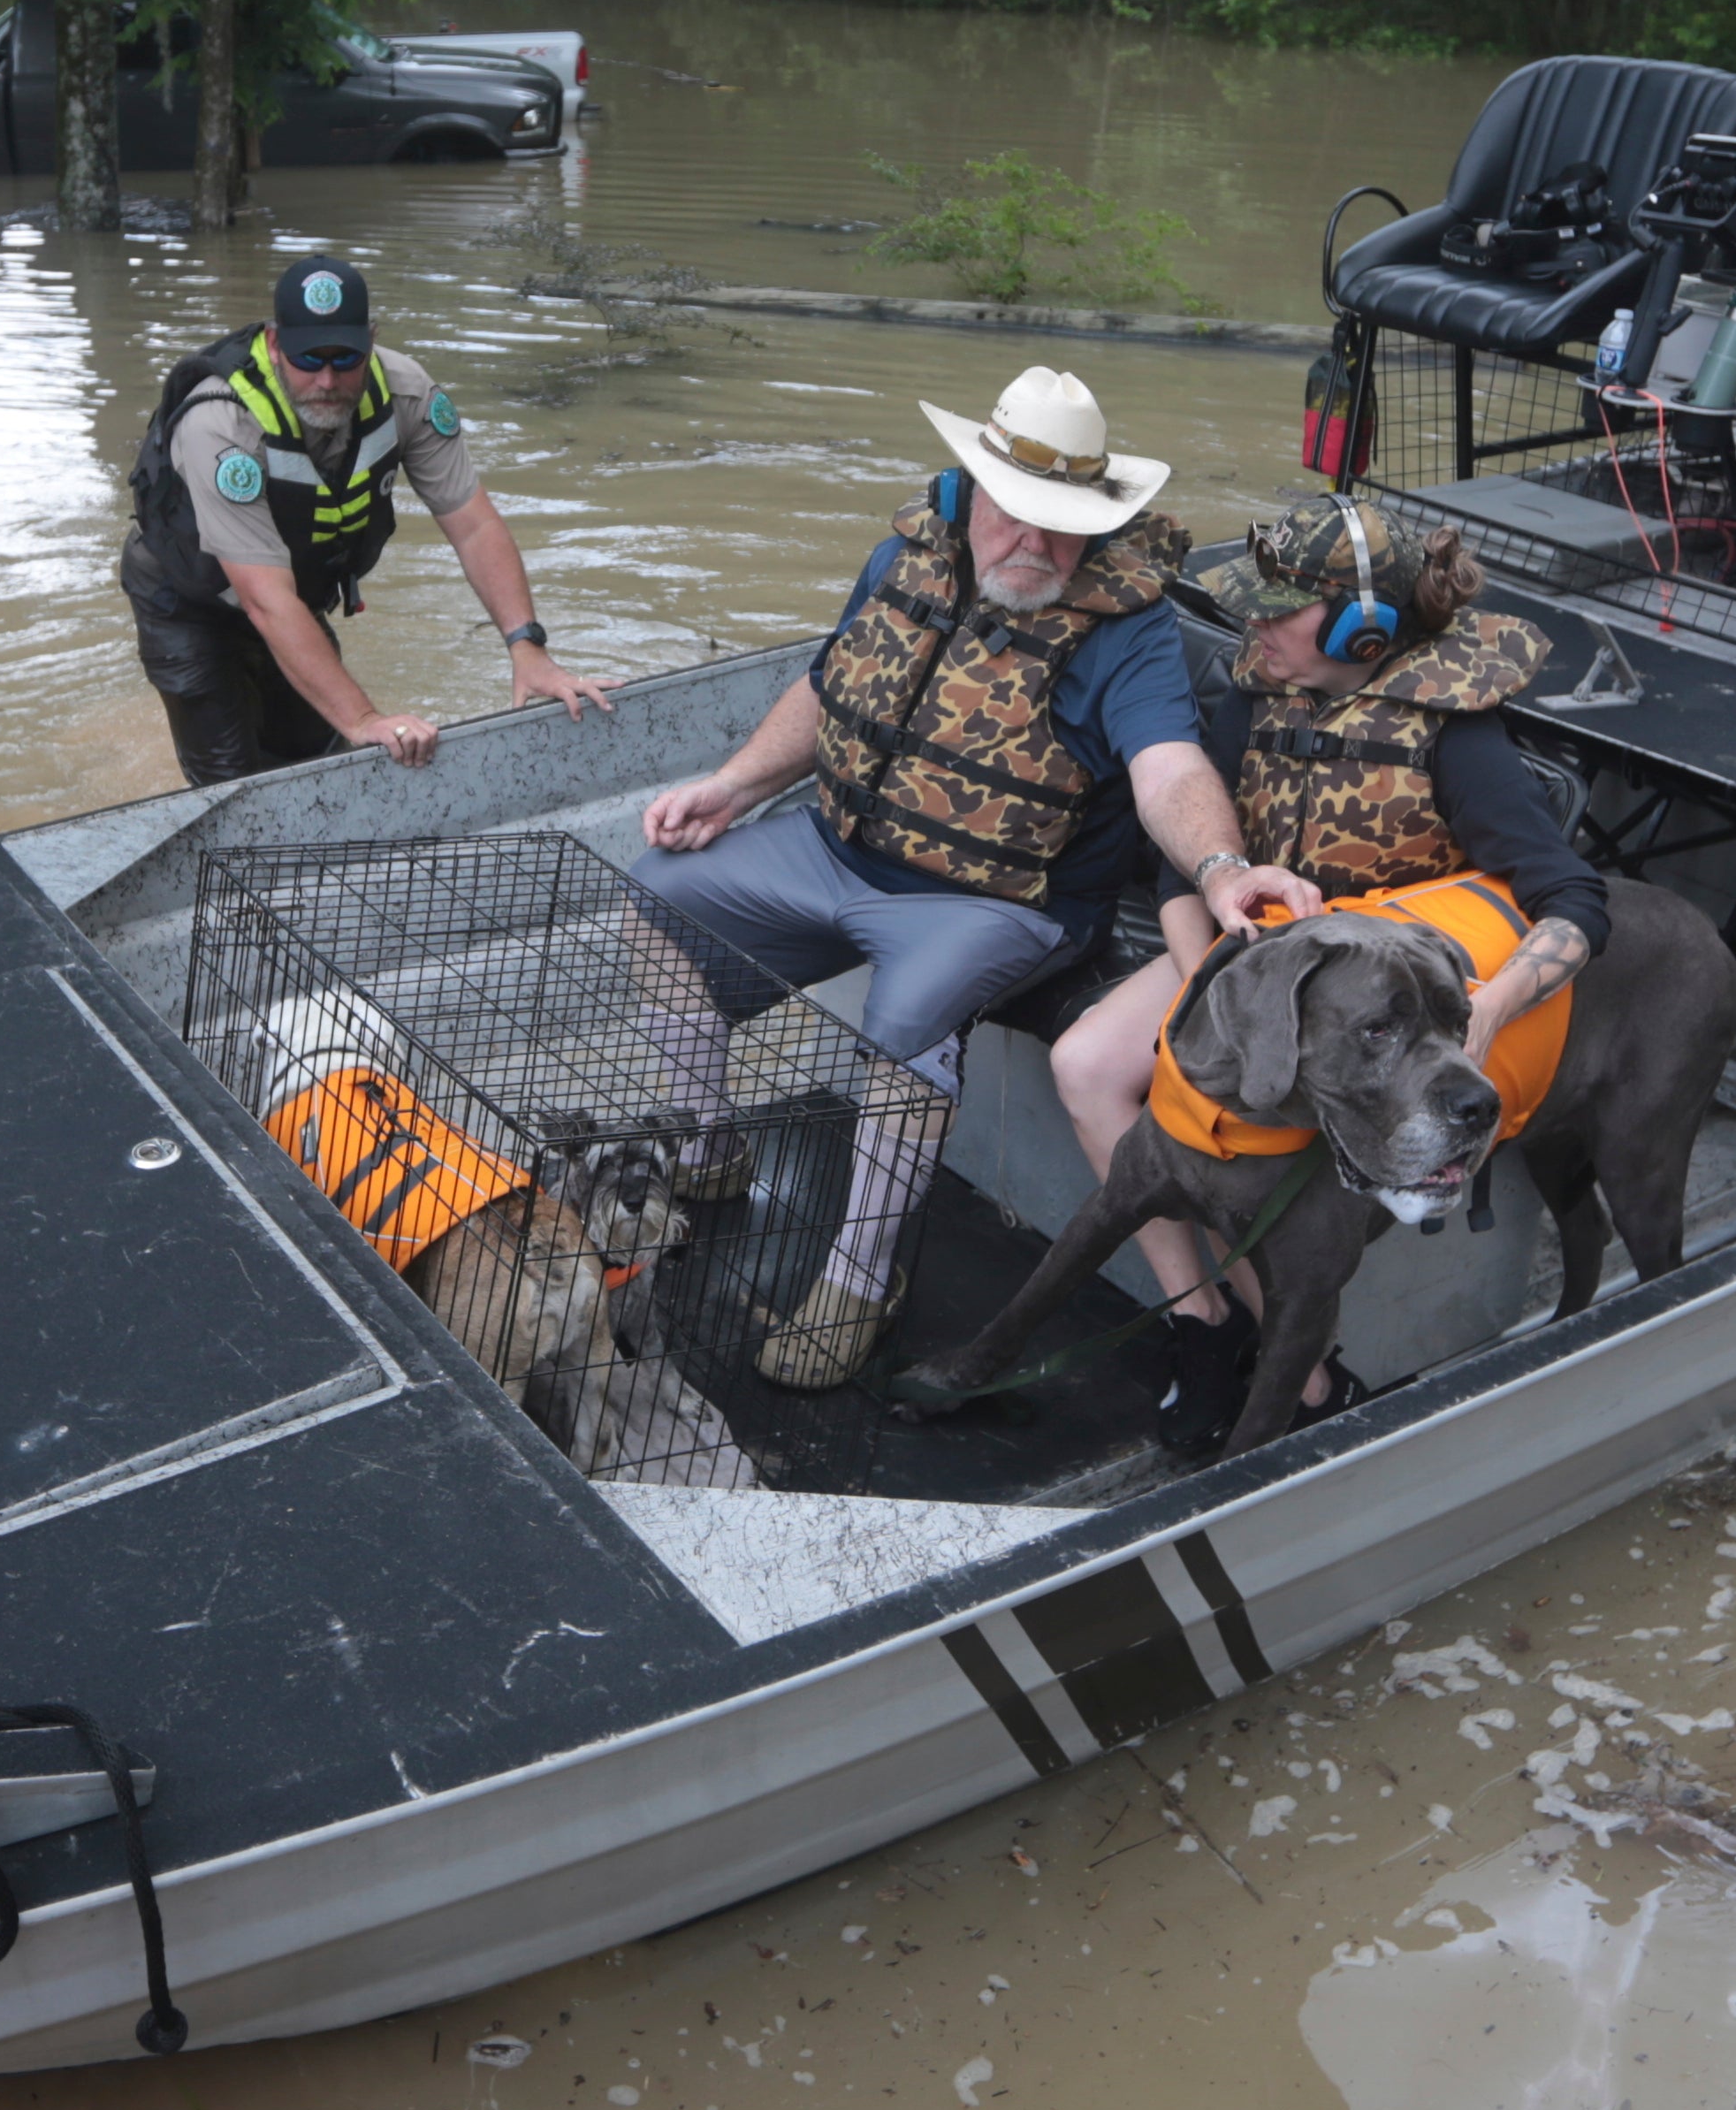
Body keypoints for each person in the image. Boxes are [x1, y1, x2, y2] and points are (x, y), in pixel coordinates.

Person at [628, 367, 1316, 1390]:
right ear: (973, 488)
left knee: (908, 1015)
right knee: (658, 889)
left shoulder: (1128, 633)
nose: (1032, 543)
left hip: (996, 901)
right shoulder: (904, 558)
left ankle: (862, 1280)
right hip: (832, 849)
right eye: (1013, 514)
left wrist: (1219, 869)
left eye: (1062, 522)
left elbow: (1169, 764)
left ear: (1099, 519)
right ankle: (705, 1146)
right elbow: (830, 690)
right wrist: (732, 786)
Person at [1055, 496, 1609, 1447]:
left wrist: (1485, 1014)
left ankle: (1306, 1373)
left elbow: (1574, 901)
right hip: (1246, 964)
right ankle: (1199, 1321)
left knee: (1249, 1141)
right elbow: (1179, 869)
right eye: (1254, 607)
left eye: (1280, 610)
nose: (1254, 626)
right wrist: (1210, 999)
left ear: (1364, 627)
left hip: (1380, 1014)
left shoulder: (1452, 728)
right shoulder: (1258, 691)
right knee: (1088, 1066)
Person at [118, 255, 613, 784]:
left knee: (321, 767)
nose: (328, 381)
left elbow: (474, 526)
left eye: (346, 358)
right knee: (235, 788)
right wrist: (365, 719)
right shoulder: (220, 424)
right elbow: (265, 600)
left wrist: (528, 647)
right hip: (191, 602)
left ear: (371, 342)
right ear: (276, 344)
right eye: (309, 359)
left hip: (293, 597)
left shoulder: (407, 394)